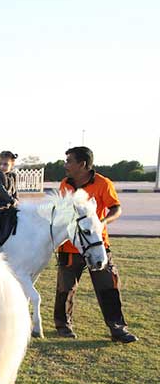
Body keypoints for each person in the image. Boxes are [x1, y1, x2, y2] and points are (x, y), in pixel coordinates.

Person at [53, 146, 137, 343]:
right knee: (65, 287)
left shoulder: (103, 183)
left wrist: (103, 223)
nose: (66, 165)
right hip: (70, 247)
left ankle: (118, 329)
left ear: (82, 164)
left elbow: (116, 209)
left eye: (69, 161)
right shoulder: (65, 184)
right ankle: (63, 326)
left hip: (96, 244)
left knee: (108, 285)